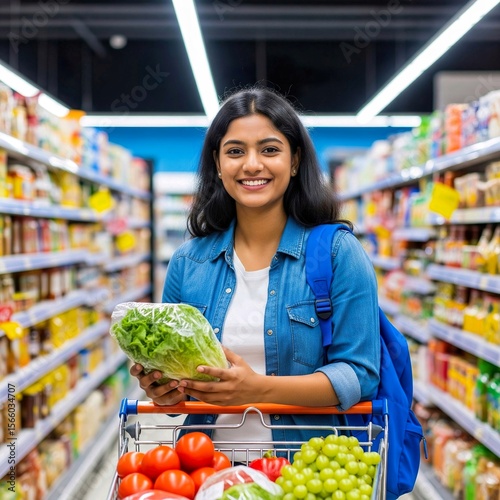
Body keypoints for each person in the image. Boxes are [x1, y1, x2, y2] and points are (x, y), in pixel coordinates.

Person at [130, 86, 381, 446]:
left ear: (294, 161)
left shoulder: (339, 254)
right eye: (235, 151)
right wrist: (164, 391)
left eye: (269, 149)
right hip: (205, 469)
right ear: (217, 164)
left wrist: (260, 389)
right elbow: (176, 399)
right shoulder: (188, 263)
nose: (251, 164)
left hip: (303, 469)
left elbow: (359, 375)